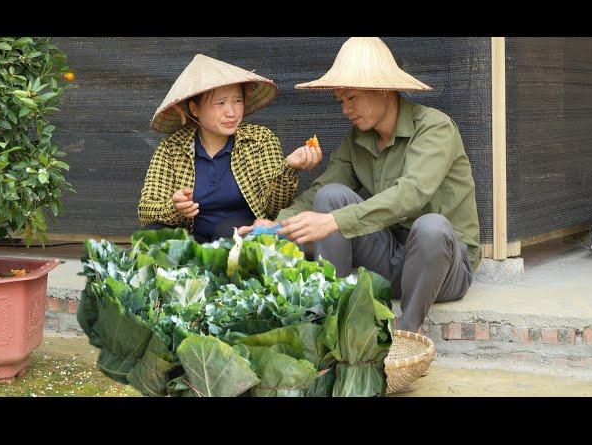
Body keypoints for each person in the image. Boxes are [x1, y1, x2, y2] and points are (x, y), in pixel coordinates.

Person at [239, 37, 481, 333]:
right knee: (330, 196)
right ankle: (330, 316)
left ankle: (408, 332)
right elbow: (319, 191)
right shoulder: (357, 139)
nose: (346, 109)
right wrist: (275, 226)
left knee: (432, 227)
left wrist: (335, 221)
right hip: (391, 260)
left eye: (351, 98)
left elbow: (411, 194)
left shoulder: (435, 127)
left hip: (442, 269)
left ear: (382, 88)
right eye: (341, 101)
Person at [138, 54, 322, 242]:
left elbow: (273, 208)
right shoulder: (172, 148)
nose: (231, 112)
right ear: (195, 109)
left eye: (237, 101)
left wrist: (289, 168)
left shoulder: (259, 140)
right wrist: (175, 207)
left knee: (227, 231)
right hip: (190, 239)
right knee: (151, 234)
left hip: (240, 236)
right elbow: (146, 210)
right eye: (220, 103)